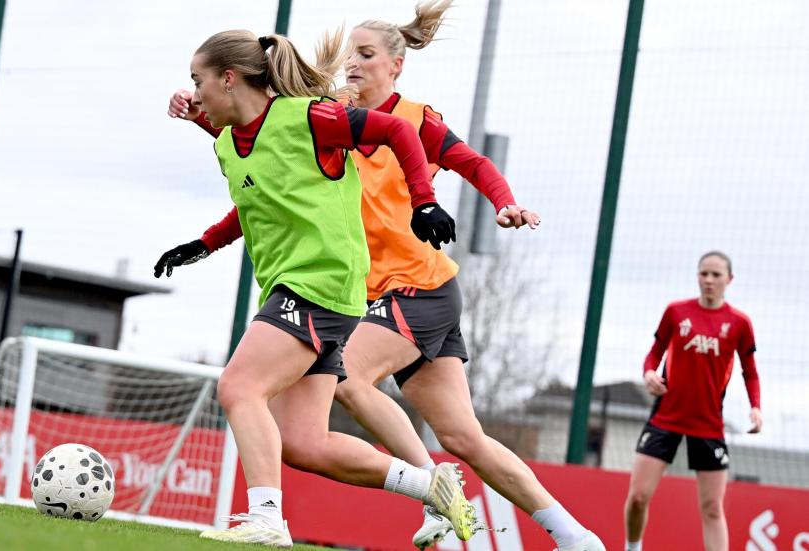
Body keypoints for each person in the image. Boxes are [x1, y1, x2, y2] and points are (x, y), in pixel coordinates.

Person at [167, 4, 604, 549]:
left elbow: (475, 164)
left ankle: (432, 490)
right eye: (349, 53)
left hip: (418, 287)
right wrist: (202, 129)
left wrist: (501, 203)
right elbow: (264, 173)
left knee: (344, 377)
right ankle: (575, 536)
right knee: (462, 436)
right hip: (369, 295)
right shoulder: (328, 120)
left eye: (366, 54)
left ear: (396, 65)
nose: (352, 62)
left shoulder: (411, 122)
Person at [154, 28, 478, 547]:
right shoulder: (230, 144)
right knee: (304, 444)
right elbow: (261, 197)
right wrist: (204, 244)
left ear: (229, 78)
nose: (193, 92)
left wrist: (424, 201)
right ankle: (430, 486)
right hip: (302, 291)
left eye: (198, 81)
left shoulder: (311, 117)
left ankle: (266, 520)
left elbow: (398, 130)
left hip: (319, 284)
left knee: (239, 388)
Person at [624, 251, 762, 551]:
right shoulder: (676, 312)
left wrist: (755, 407)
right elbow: (654, 353)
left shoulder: (739, 323)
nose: (709, 280)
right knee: (637, 498)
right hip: (665, 418)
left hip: (708, 424)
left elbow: (750, 372)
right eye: (704, 273)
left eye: (716, 275)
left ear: (729, 279)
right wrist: (649, 373)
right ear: (697, 276)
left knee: (712, 508)